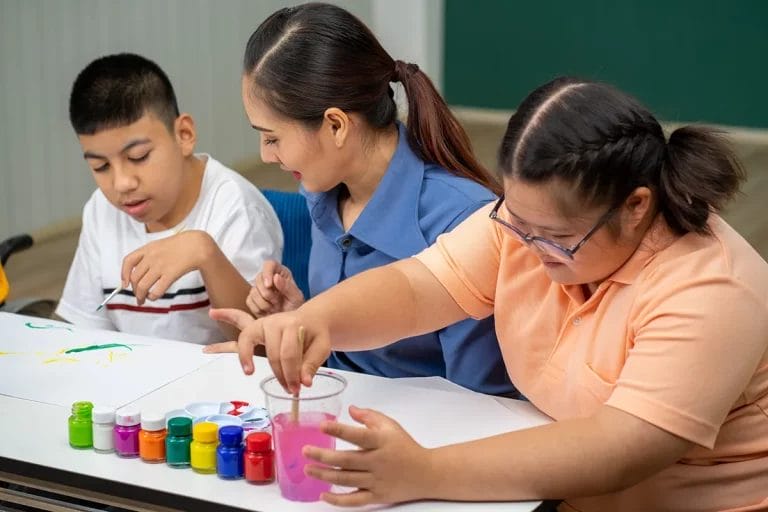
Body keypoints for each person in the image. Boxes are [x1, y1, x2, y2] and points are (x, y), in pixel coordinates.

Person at [208, 77, 768, 510]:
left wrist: (425, 471)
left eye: (555, 238)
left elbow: (619, 447)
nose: (527, 245)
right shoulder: (526, 225)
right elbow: (419, 284)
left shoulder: (711, 288)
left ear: (637, 206)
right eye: (516, 221)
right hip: (546, 492)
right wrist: (315, 320)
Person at [234, 3, 515, 396]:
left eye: (272, 138)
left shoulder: (463, 220)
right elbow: (345, 361)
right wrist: (302, 320)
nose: (265, 156)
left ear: (335, 125)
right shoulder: (322, 193)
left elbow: (485, 402)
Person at [56, 53, 283, 344]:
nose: (122, 183)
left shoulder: (236, 208)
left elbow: (260, 347)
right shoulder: (101, 209)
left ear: (184, 135)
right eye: (101, 166)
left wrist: (205, 254)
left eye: (138, 157)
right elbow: (84, 329)